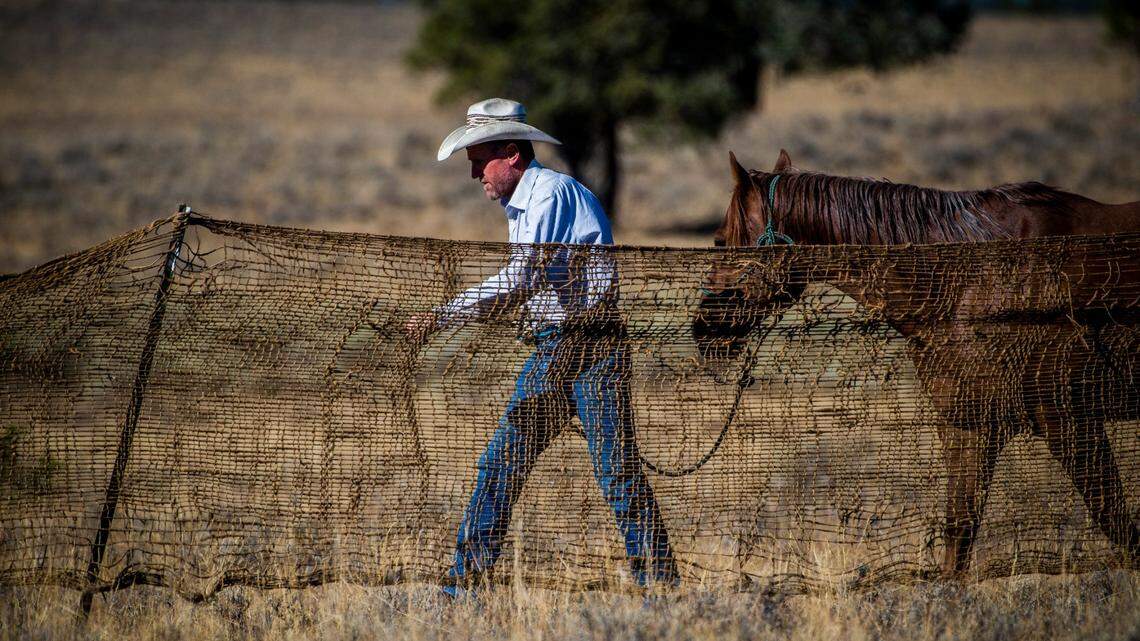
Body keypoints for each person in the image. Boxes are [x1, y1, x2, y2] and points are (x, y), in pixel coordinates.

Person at [405, 98, 677, 595]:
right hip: (556, 347)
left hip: (591, 348)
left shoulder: (550, 195)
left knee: (615, 472)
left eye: (478, 160)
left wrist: (442, 316)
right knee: (503, 462)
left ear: (511, 153)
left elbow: (521, 279)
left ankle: (659, 585)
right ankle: (464, 582)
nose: (474, 174)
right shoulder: (526, 202)